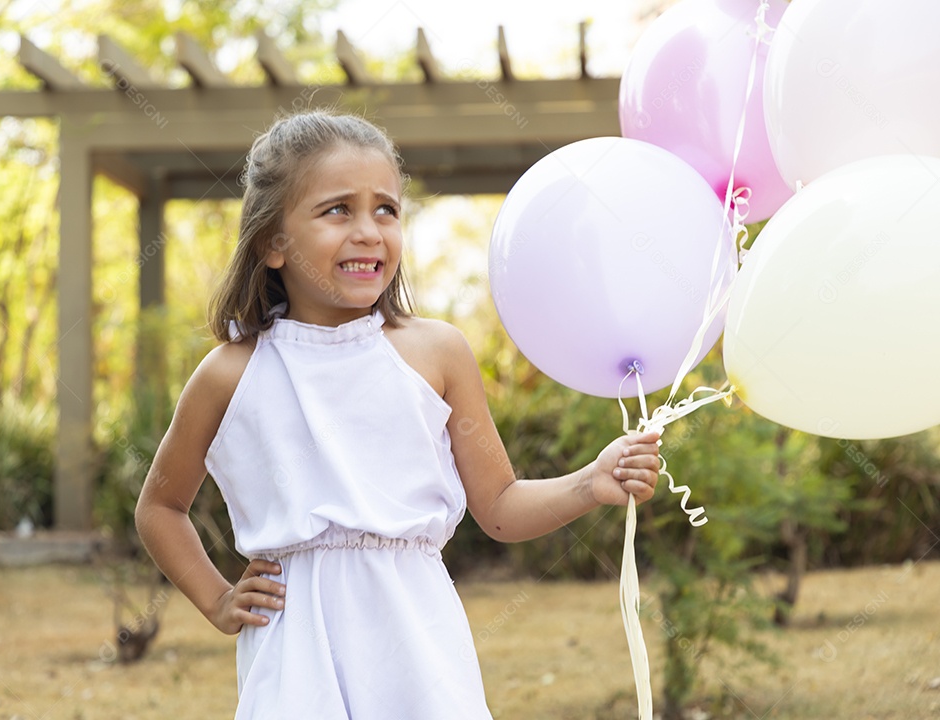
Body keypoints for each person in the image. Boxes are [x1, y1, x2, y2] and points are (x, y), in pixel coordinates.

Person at [134, 110, 661, 719]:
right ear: (273, 241)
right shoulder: (231, 373)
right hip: (295, 649)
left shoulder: (436, 353)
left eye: (386, 209)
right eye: (338, 210)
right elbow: (160, 506)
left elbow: (498, 508)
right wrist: (219, 600)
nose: (368, 230)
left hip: (420, 650)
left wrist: (588, 483)